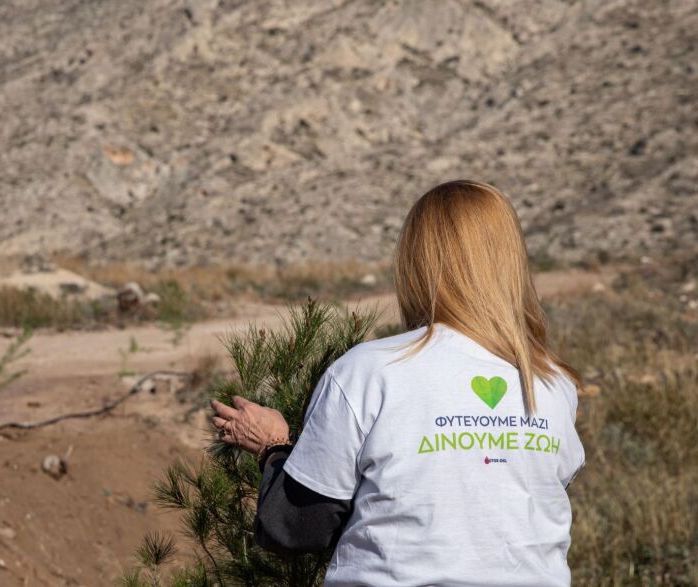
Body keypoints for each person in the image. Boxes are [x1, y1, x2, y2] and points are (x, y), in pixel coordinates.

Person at [211, 180, 586, 587]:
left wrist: (273, 446)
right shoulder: (552, 382)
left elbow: (298, 528)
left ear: (417, 262)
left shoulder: (370, 372)